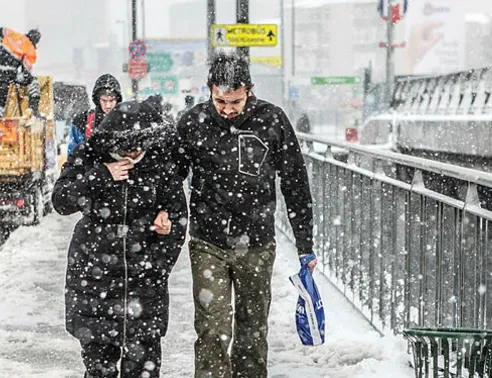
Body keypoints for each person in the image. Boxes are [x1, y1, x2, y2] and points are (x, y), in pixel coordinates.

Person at [174, 51, 317, 378]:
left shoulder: (272, 120)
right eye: (220, 100)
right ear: (209, 89)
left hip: (257, 243)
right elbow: (172, 178)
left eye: (235, 101)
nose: (227, 109)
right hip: (207, 241)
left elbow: (295, 183)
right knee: (212, 327)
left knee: (252, 331)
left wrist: (304, 243)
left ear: (249, 90)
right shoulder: (192, 122)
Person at [52, 97, 187, 378]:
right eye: (125, 148)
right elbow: (62, 200)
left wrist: (165, 239)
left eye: (139, 147)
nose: (133, 154)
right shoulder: (90, 155)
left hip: (144, 285)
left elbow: (178, 216)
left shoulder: (160, 164)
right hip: (95, 281)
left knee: (143, 370)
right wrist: (101, 175)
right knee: (99, 370)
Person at [0, 27, 42, 118]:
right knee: (33, 81)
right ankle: (33, 111)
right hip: (8, 73)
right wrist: (23, 79)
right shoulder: (30, 49)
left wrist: (4, 45)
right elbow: (27, 72)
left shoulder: (15, 35)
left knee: (0, 98)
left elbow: (0, 30)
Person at [67, 74, 123, 155]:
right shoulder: (82, 121)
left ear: (117, 100)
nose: (108, 106)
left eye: (111, 101)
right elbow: (73, 157)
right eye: (104, 100)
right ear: (98, 100)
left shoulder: (126, 120)